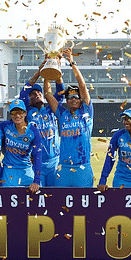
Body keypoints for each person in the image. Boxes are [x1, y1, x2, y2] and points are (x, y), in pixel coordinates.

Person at [45, 50, 94, 187]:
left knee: (84, 206)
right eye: (70, 97)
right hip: (64, 168)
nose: (73, 99)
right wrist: (48, 69)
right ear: (66, 100)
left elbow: (82, 86)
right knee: (60, 205)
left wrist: (72, 62)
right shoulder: (62, 114)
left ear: (81, 99)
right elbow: (48, 94)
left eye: (76, 97)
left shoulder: (86, 111)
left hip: (82, 167)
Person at [19, 59, 65, 186]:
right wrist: (40, 71)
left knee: (55, 198)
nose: (36, 95)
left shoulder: (50, 109)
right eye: (32, 94)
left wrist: (54, 72)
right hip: (35, 162)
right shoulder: (27, 111)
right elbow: (24, 91)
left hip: (54, 162)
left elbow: (61, 94)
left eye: (39, 92)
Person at [0, 99, 41, 192]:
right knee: (9, 200)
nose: (17, 115)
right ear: (11, 114)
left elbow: (38, 156)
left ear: (25, 113)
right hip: (9, 170)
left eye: (20, 112)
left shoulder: (33, 131)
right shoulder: (5, 126)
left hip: (26, 169)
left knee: (32, 200)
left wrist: (37, 180)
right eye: (14, 112)